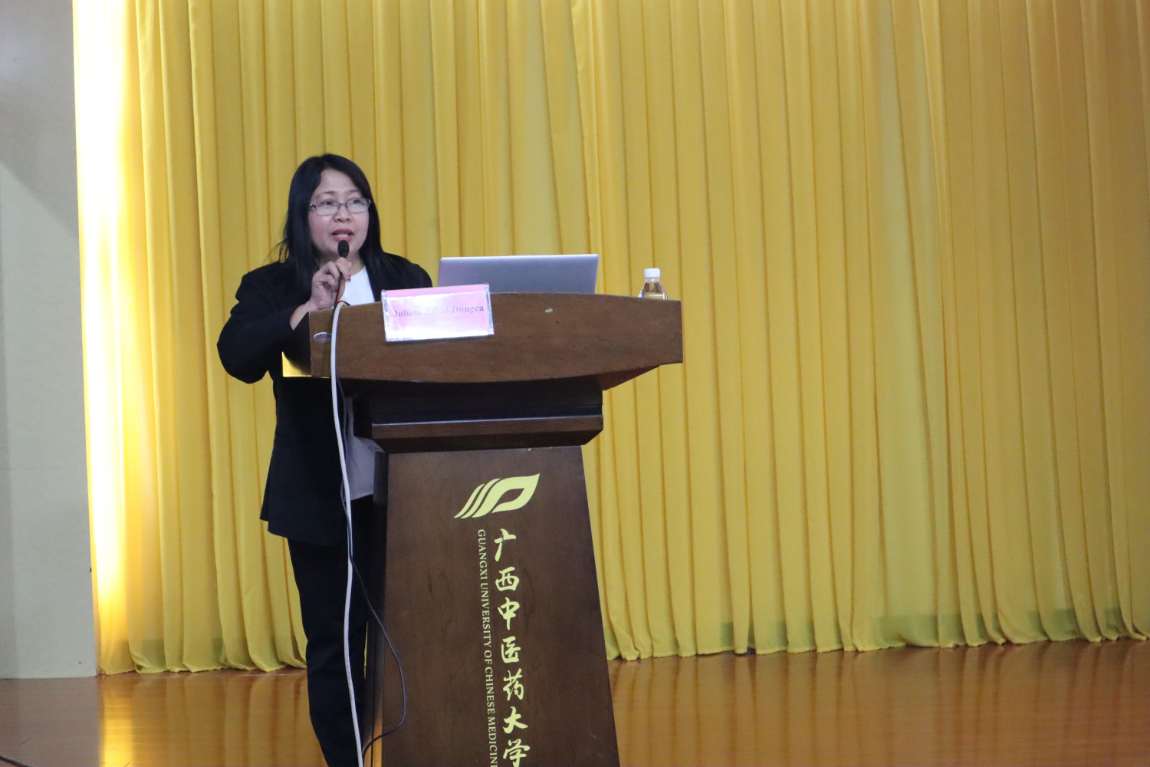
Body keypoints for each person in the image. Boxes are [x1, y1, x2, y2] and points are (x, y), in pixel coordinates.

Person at [217, 154, 431, 766]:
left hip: (407, 486)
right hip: (319, 491)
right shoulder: (271, 285)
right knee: (336, 641)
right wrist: (306, 308)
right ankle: (347, 759)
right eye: (328, 202)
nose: (344, 213)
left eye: (355, 200)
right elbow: (237, 356)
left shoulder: (404, 277)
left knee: (415, 634)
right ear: (303, 214)